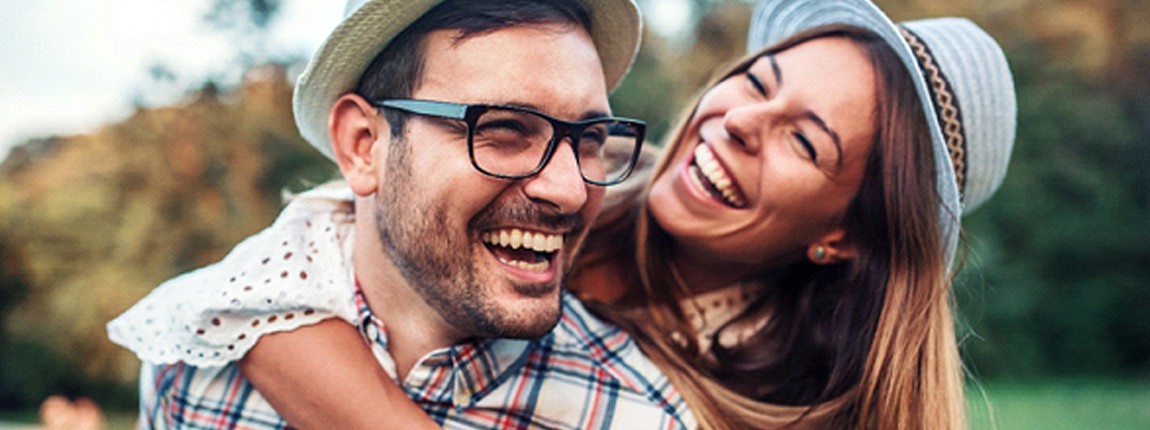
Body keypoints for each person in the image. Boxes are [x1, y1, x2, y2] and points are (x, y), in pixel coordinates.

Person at [115, 0, 1018, 428]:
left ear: (842, 235)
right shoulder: (575, 188)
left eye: (806, 142)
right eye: (757, 80)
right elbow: (315, 245)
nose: (738, 122)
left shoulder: (789, 402)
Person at [107, 0, 698, 428]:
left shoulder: (638, 414)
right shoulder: (197, 366)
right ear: (364, 145)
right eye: (504, 130)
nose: (569, 190)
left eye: (590, 137)